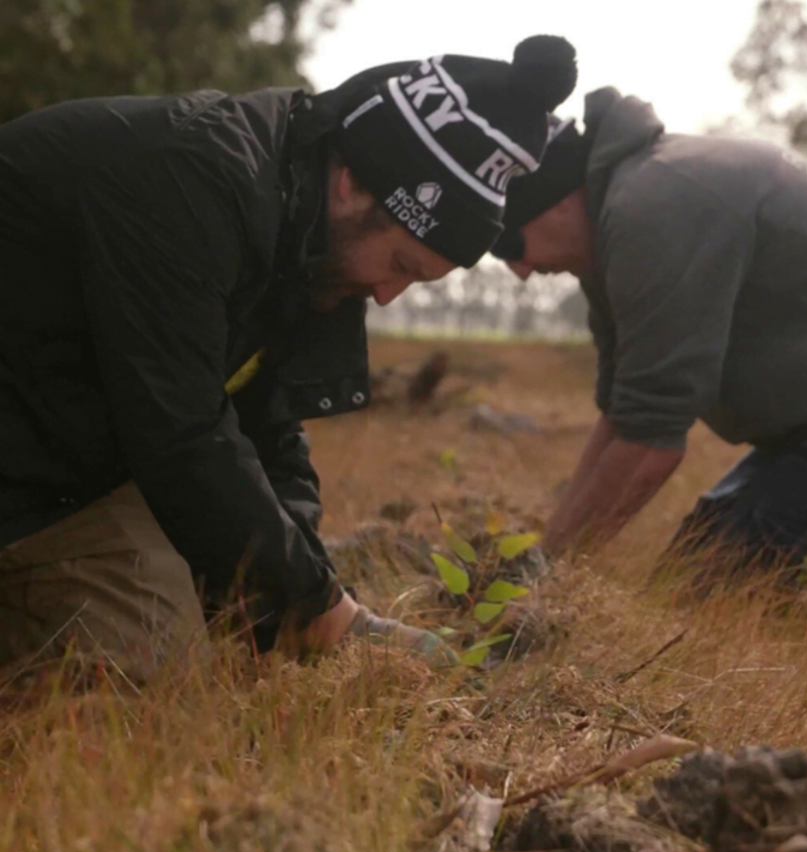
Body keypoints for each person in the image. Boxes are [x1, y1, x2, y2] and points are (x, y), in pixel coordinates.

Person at [0, 36, 577, 680]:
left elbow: (267, 424)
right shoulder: (193, 182)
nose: (388, 294)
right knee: (155, 675)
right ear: (353, 180)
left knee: (218, 626)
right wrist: (324, 616)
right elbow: (180, 431)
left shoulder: (305, 229)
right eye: (400, 265)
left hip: (70, 448)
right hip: (33, 456)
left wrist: (304, 582)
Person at [491, 86, 807, 587]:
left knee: (711, 598)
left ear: (559, 198)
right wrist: (546, 553)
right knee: (682, 580)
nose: (518, 269)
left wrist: (543, 577)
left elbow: (651, 443)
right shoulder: (615, 227)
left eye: (510, 241)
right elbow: (626, 413)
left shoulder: (654, 206)